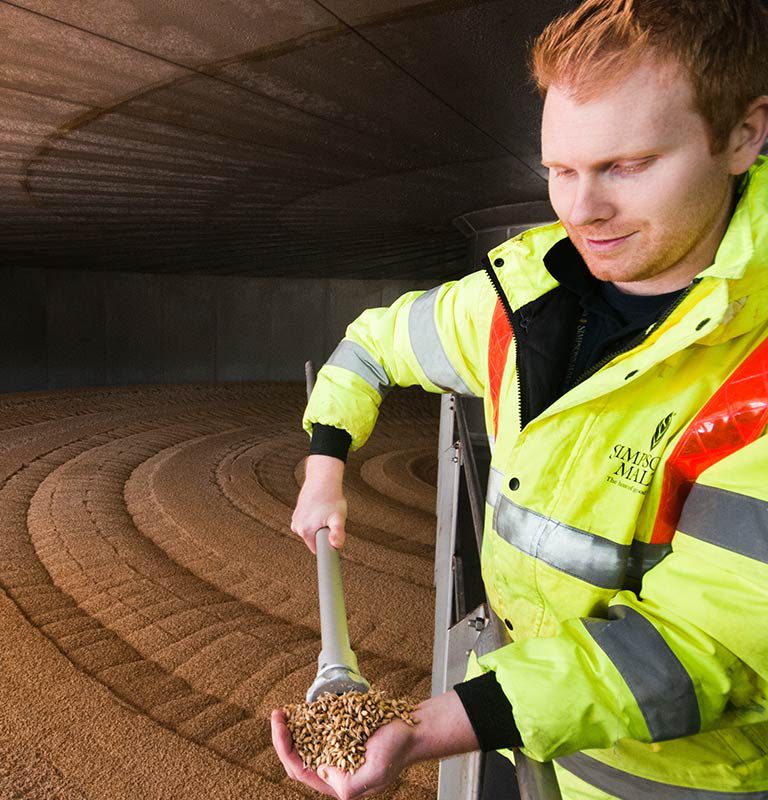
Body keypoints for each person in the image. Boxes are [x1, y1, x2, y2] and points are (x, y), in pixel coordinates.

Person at [271, 0, 768, 797]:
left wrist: (435, 724)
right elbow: (371, 345)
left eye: (627, 165)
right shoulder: (518, 303)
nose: (580, 210)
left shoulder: (755, 374)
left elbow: (708, 647)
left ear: (745, 134)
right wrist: (324, 463)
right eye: (560, 171)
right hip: (530, 750)